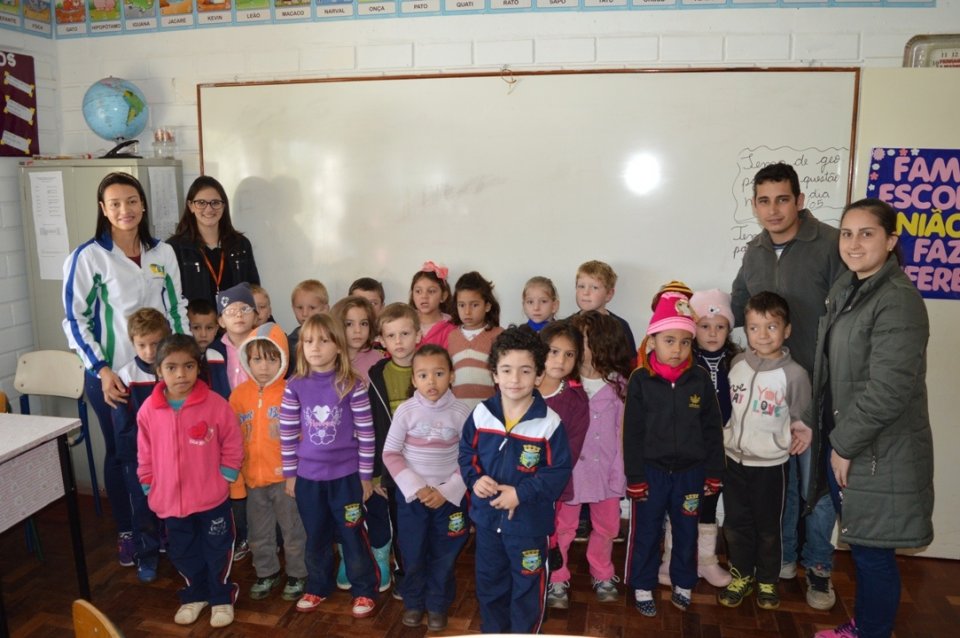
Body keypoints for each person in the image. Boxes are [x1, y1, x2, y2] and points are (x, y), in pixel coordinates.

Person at [812, 199, 933, 638]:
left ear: (891, 240)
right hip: (850, 440)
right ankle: (865, 627)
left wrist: (844, 445)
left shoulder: (897, 299)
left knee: (873, 553)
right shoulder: (850, 287)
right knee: (866, 546)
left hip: (876, 449)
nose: (854, 243)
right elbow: (836, 371)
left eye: (867, 233)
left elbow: (889, 389)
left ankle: (872, 632)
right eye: (847, 233)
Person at [730, 161, 846, 610]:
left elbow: (849, 313)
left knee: (817, 484)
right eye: (764, 201)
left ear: (799, 200)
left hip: (819, 387)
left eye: (782, 199)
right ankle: (784, 558)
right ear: (754, 205)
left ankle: (818, 566)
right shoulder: (755, 250)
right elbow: (741, 302)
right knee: (782, 480)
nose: (773, 210)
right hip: (767, 393)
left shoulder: (831, 244)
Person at [62, 171, 189, 566]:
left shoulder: (162, 253)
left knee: (164, 452)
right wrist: (102, 370)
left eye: (132, 201)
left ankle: (161, 525)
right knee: (122, 455)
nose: (125, 210)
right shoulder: (88, 257)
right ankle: (128, 532)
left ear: (143, 205)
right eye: (115, 203)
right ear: (103, 209)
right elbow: (75, 320)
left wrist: (184, 363)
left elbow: (176, 308)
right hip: (113, 377)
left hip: (160, 376)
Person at [458, 326, 572, 634]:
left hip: (529, 527)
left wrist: (521, 494)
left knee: (526, 590)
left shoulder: (549, 424)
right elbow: (466, 453)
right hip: (487, 523)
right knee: (489, 585)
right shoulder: (481, 414)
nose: (515, 379)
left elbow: (558, 471)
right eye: (506, 370)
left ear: (538, 375)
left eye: (525, 370)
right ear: (494, 374)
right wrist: (475, 479)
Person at [623, 292, 724, 617]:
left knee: (686, 531)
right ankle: (642, 584)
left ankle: (683, 582)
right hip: (651, 474)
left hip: (690, 474)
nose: (677, 349)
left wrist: (714, 472)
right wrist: (635, 477)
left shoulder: (700, 379)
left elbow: (712, 430)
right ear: (652, 340)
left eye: (685, 342)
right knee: (647, 532)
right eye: (669, 340)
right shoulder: (640, 380)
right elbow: (631, 433)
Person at [136, 334, 244, 628]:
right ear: (159, 370)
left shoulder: (215, 404)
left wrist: (227, 474)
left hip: (211, 498)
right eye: (171, 367)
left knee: (217, 548)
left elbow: (232, 441)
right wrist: (148, 482)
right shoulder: (148, 410)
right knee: (183, 551)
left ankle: (221, 596)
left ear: (198, 367)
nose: (181, 374)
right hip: (170, 500)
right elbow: (144, 452)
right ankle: (195, 594)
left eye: (188, 366)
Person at [279, 313, 380, 618]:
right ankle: (318, 586)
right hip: (308, 479)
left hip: (346, 478)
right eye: (309, 341)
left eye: (324, 340)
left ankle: (364, 590)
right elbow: (287, 432)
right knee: (316, 535)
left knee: (351, 534)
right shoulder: (294, 385)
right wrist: (290, 474)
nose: (315, 347)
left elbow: (366, 433)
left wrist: (365, 477)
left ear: (338, 346)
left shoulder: (352, 384)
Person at [719, 292, 813, 611]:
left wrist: (800, 431)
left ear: (787, 330)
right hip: (733, 461)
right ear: (746, 329)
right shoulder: (736, 365)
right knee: (736, 524)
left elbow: (801, 417)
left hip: (771, 466)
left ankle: (768, 580)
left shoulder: (795, 374)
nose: (762, 335)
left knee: (769, 528)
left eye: (771, 327)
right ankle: (741, 575)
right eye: (754, 327)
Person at [382, 345, 472, 631]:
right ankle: (414, 602)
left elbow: (471, 457)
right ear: (413, 379)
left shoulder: (462, 412)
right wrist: (419, 489)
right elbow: (391, 453)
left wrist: (445, 491)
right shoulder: (406, 411)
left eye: (439, 373)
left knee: (444, 554)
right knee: (413, 551)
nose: (431, 381)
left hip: (449, 499)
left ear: (452, 376)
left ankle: (437, 604)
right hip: (413, 499)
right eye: (423, 375)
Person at [552, 311, 629, 603]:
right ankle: (557, 576)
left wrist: (620, 471)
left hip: (607, 472)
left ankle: (602, 571)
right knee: (563, 527)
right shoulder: (563, 386)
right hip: (570, 474)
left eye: (583, 340)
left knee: (608, 527)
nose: (577, 345)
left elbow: (623, 435)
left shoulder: (619, 386)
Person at [229, 322, 308, 603]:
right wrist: (237, 481)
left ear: (284, 359)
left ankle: (298, 573)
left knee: (293, 530)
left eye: (272, 359)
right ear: (247, 360)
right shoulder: (238, 396)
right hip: (253, 480)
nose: (264, 366)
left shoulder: (292, 391)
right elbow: (231, 441)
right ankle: (267, 572)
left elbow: (304, 436)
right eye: (257, 359)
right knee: (259, 533)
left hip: (286, 480)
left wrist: (298, 473)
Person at [360, 302, 423, 595]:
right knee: (401, 524)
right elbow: (371, 427)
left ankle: (426, 571)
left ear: (418, 335)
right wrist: (375, 475)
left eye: (405, 333)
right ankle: (405, 573)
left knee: (427, 523)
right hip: (394, 470)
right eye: (391, 335)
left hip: (428, 465)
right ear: (381, 341)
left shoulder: (430, 368)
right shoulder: (377, 375)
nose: (398, 341)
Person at [111, 308, 170, 584]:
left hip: (171, 456)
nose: (149, 351)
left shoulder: (173, 370)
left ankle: (173, 546)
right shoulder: (126, 375)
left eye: (155, 344)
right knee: (143, 509)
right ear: (132, 343)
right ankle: (146, 555)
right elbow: (123, 425)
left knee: (172, 504)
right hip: (139, 459)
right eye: (142, 345)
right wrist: (137, 456)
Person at [687, 288, 740, 588]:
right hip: (688, 447)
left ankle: (706, 559)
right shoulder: (685, 361)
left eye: (720, 326)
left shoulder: (737, 362)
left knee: (709, 502)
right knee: (683, 501)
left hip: (721, 448)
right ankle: (675, 555)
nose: (712, 333)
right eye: (704, 326)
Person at [540, 320, 590, 609]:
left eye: (569, 354)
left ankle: (556, 578)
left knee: (558, 530)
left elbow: (572, 447)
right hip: (517, 482)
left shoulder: (575, 399)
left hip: (554, 483)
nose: (560, 360)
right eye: (554, 351)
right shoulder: (520, 387)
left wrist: (547, 477)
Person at [167, 175, 260, 307]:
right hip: (195, 320)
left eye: (215, 203)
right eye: (201, 203)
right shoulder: (174, 248)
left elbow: (254, 291)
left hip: (236, 319)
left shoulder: (241, 244)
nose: (209, 209)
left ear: (223, 206)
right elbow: (171, 298)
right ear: (190, 206)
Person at [448, 271, 504, 410]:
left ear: (487, 306)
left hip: (489, 410)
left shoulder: (499, 335)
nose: (467, 311)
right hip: (458, 411)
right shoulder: (452, 337)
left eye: (474, 305)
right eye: (461, 305)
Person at [573, 260, 637, 360]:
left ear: (609, 294)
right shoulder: (567, 326)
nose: (585, 292)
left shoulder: (620, 326)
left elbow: (630, 362)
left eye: (594, 287)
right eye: (581, 286)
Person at [331, 295, 383, 383]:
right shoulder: (328, 358)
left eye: (363, 324)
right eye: (349, 324)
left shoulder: (378, 360)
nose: (358, 330)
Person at [187, 298, 230, 399]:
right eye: (196, 328)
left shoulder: (223, 352)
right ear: (187, 328)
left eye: (209, 328)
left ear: (216, 329)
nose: (203, 334)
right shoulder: (183, 355)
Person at [409, 261, 455, 348]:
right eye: (418, 291)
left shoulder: (451, 329)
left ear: (443, 296)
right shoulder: (405, 323)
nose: (424, 296)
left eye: (431, 291)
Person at [287, 279, 330, 368]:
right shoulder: (289, 342)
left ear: (325, 309)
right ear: (293, 308)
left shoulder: (333, 337)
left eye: (312, 308)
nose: (305, 313)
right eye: (300, 307)